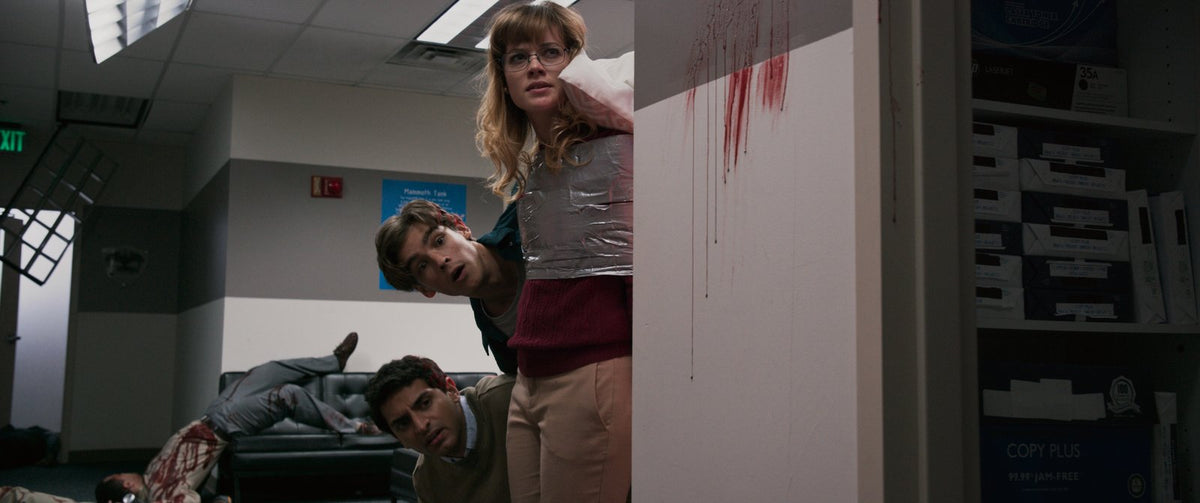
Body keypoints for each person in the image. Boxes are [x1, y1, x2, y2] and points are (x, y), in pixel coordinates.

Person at [475, 2, 634, 502]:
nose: (535, 67)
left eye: (550, 53)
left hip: (591, 367)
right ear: (504, 79)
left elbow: (641, 272)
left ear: (573, 62)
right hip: (531, 372)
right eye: (518, 57)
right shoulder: (539, 166)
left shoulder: (615, 145)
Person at [93, 333, 380, 503]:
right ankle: (355, 427)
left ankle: (333, 361)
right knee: (287, 395)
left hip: (215, 413)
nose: (123, 473)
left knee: (268, 370)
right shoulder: (162, 494)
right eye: (118, 476)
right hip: (226, 426)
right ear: (127, 486)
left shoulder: (151, 475)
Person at [376, 199, 523, 375]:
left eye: (439, 241)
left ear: (460, 228)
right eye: (422, 266)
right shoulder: (500, 343)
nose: (440, 261)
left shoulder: (526, 217)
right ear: (425, 289)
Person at [365, 355, 514, 503]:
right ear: (399, 439)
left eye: (425, 403)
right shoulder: (425, 481)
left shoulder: (508, 400)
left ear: (451, 390)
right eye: (403, 423)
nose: (421, 426)